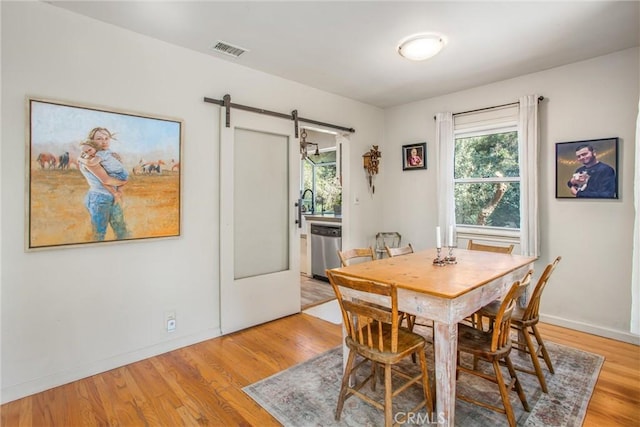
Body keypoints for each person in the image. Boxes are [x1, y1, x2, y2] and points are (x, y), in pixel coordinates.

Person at [78, 137, 130, 241]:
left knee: (121, 231)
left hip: (109, 197)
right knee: (99, 234)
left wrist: (117, 191)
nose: (104, 141)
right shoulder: (89, 159)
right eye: (99, 138)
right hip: (100, 198)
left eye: (106, 138)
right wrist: (122, 183)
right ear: (92, 141)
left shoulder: (104, 155)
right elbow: (106, 180)